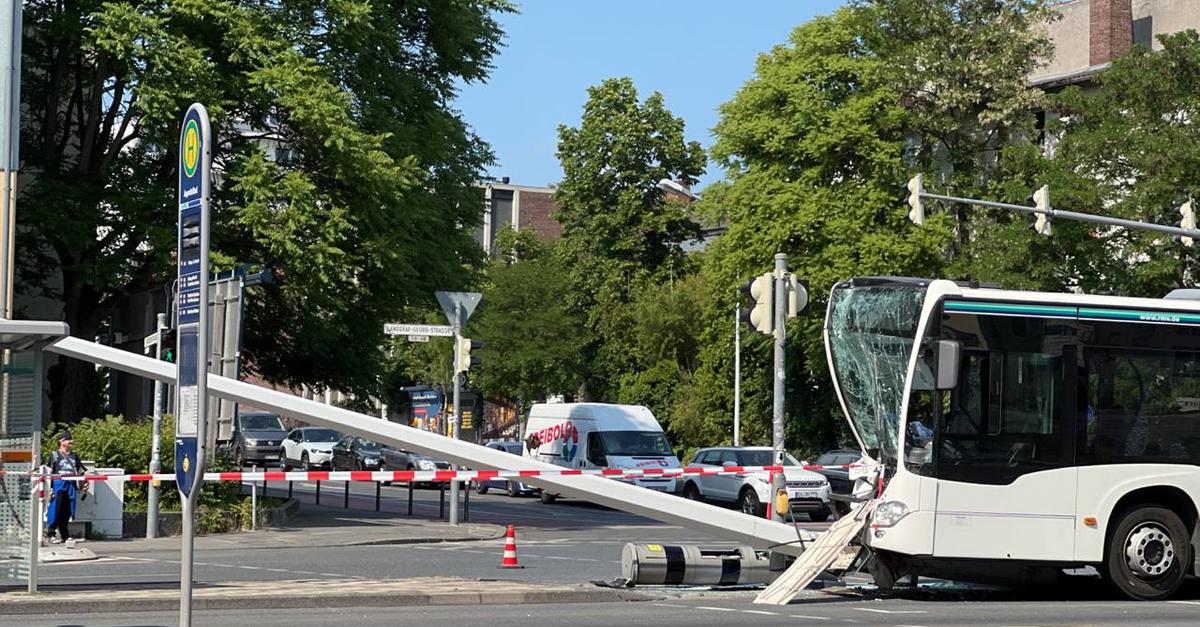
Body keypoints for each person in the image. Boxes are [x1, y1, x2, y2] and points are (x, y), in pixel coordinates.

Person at [44, 431, 87, 544]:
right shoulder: (54, 455)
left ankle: (65, 534)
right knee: (56, 509)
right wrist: (49, 488)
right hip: (58, 484)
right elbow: (48, 473)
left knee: (67, 510)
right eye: (68, 440)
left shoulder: (74, 456)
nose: (71, 442)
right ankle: (51, 533)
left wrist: (85, 481)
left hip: (71, 484)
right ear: (62, 441)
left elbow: (81, 470)